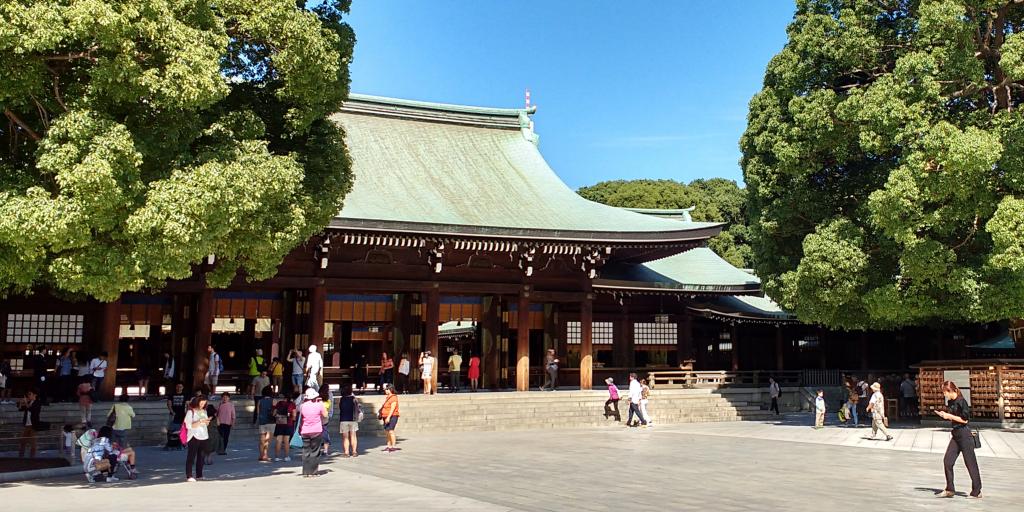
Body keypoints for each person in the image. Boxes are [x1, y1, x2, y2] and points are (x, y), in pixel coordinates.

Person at [936, 381, 982, 498]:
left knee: (970, 464)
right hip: (955, 434)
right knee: (948, 461)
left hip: (964, 434)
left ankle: (977, 491)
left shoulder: (962, 402)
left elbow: (965, 420)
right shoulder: (950, 402)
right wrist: (944, 415)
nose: (945, 395)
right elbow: (953, 417)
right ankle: (950, 489)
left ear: (952, 391)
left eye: (945, 393)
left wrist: (949, 416)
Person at [298, 388, 328, 477]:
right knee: (315, 451)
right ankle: (313, 472)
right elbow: (325, 415)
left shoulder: (302, 406)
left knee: (306, 451)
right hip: (316, 430)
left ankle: (306, 472)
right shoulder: (319, 405)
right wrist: (321, 403)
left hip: (305, 431)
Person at [183, 396, 211, 482]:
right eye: (201, 403)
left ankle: (199, 475)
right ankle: (189, 475)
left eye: (204, 403)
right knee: (191, 456)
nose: (202, 405)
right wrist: (199, 422)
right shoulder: (190, 412)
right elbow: (188, 425)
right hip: (194, 436)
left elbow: (206, 424)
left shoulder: (204, 411)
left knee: (201, 457)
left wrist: (206, 422)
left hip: (204, 436)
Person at [18, 390, 43, 457]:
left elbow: (31, 409)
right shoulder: (29, 402)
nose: (28, 395)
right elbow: (20, 409)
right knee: (23, 441)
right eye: (28, 394)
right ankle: (21, 456)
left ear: (35, 395)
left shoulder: (37, 403)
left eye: (30, 394)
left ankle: (32, 457)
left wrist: (26, 403)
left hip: (33, 425)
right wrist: (21, 403)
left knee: (33, 442)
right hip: (27, 425)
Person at [338, 384, 360, 457]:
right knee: (353, 435)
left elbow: (340, 408)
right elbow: (358, 406)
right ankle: (354, 451)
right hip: (353, 419)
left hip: (344, 419)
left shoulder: (342, 399)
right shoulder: (354, 399)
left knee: (345, 437)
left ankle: (346, 452)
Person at [272, 392, 296, 462]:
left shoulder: (279, 403)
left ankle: (276, 457)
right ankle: (286, 456)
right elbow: (294, 415)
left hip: (279, 423)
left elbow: (274, 413)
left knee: (278, 440)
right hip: (288, 424)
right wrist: (293, 420)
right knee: (286, 441)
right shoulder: (292, 404)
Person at [165, 382, 187, 449]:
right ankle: (170, 442)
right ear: (176, 387)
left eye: (180, 386)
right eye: (178, 386)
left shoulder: (185, 395)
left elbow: (188, 404)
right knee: (171, 429)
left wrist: (187, 413)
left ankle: (182, 443)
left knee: (183, 429)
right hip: (173, 415)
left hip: (183, 414)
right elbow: (169, 404)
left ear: (182, 387)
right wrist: (172, 412)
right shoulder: (171, 395)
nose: (179, 388)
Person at [256, 386, 275, 462]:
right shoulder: (273, 400)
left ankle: (261, 455)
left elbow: (257, 412)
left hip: (262, 420)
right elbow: (274, 411)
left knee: (262, 439)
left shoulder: (260, 401)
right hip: (271, 421)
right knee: (268, 440)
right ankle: (265, 455)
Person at [379, 383, 399, 453]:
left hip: (392, 416)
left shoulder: (394, 397)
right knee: (387, 431)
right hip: (385, 416)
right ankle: (389, 445)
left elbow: (392, 409)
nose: (385, 391)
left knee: (391, 431)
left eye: (386, 389)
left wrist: (388, 417)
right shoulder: (387, 397)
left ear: (390, 389)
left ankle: (393, 446)